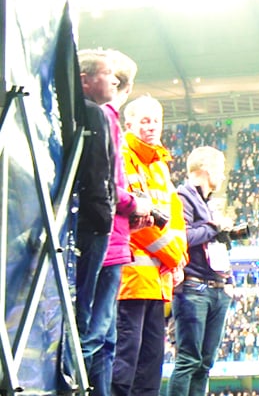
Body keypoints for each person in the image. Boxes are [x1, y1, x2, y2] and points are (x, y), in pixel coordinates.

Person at [78, 49, 152, 396]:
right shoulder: (103, 117)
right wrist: (133, 204)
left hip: (115, 234)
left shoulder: (102, 118)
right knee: (97, 333)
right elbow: (106, 182)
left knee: (104, 335)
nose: (110, 81)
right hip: (107, 234)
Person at [112, 96, 188, 396]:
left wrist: (180, 258)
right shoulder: (123, 156)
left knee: (151, 366)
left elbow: (176, 221)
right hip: (131, 280)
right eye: (145, 121)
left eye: (156, 120)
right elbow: (137, 220)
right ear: (128, 124)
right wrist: (173, 256)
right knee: (125, 363)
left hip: (157, 281)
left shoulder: (160, 166)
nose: (152, 127)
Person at [167, 146, 233, 396]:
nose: (223, 176)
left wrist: (229, 280)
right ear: (206, 169)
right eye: (221, 170)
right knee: (188, 361)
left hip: (216, 288)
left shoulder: (207, 204)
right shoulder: (182, 196)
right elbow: (181, 236)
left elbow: (213, 243)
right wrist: (213, 227)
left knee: (205, 364)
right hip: (194, 288)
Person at [73, 49, 118, 382]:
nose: (113, 79)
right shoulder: (95, 116)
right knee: (86, 314)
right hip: (92, 226)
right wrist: (105, 216)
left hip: (86, 221)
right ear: (85, 80)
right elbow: (97, 173)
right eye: (106, 73)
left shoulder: (88, 113)